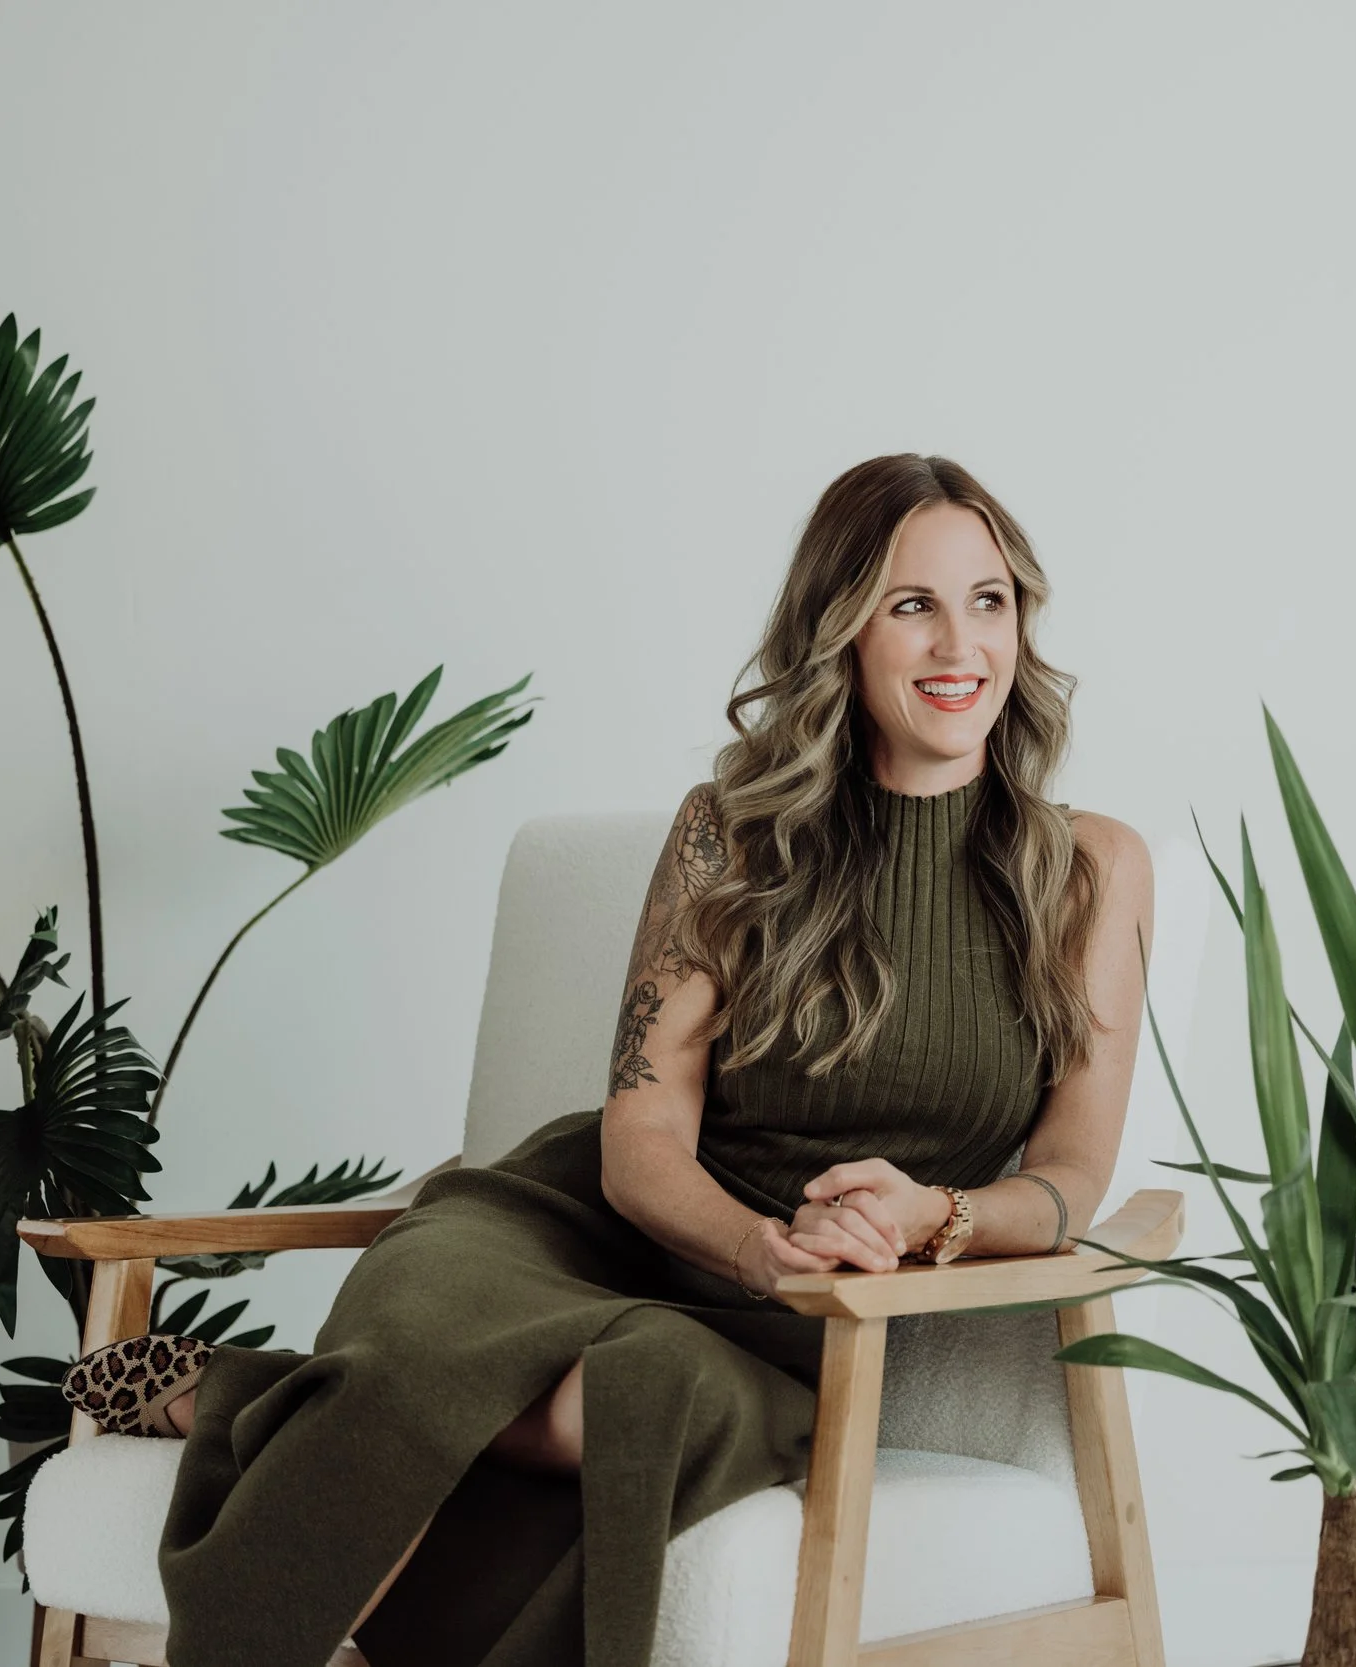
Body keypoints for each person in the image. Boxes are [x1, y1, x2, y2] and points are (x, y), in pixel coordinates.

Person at [57, 452, 1155, 1667]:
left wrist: (928, 1212)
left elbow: (1071, 1173)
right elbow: (638, 1136)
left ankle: (252, 1398)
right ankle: (329, 1429)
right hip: (573, 1223)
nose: (961, 644)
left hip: (787, 1324)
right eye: (913, 604)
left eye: (988, 599)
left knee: (634, 1395)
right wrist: (750, 1239)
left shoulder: (1090, 870)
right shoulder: (728, 835)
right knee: (431, 1330)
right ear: (842, 629)